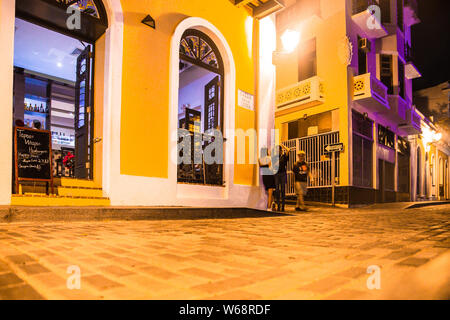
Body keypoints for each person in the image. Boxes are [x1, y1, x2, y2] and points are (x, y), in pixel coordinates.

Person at [274, 144, 290, 212]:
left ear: (281, 151)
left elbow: (288, 150)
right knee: (277, 190)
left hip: (283, 174)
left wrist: (283, 146)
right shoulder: (274, 158)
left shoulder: (284, 156)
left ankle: (283, 206)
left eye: (279, 150)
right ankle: (278, 205)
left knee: (283, 190)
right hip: (276, 174)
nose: (278, 151)